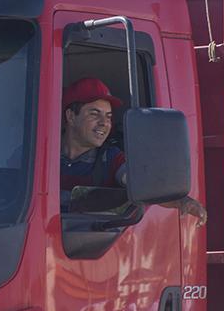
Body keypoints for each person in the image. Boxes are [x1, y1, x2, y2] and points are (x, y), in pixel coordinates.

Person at [60, 77, 206, 224]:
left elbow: (142, 184)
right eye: (94, 114)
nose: (104, 123)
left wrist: (182, 201)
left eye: (108, 117)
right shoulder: (42, 155)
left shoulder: (111, 158)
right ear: (71, 116)